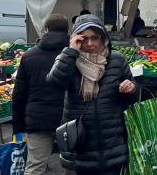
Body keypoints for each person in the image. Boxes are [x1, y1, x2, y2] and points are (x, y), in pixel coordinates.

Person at [46, 14, 140, 174]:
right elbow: (54, 84)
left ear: (103, 38)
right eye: (84, 38)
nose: (90, 43)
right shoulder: (69, 59)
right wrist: (71, 51)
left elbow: (133, 97)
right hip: (80, 145)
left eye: (95, 38)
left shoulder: (116, 60)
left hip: (111, 144)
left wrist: (131, 88)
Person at [12, 14, 69, 175]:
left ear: (46, 30)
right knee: (71, 165)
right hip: (68, 119)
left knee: (35, 167)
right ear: (67, 31)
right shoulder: (74, 55)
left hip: (38, 120)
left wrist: (18, 128)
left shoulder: (29, 56)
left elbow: (19, 95)